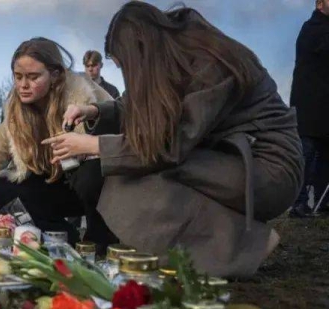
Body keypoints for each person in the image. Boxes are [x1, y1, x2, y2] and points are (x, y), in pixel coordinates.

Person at [43, 2, 303, 277]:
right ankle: (233, 240)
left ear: (141, 51)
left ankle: (244, 246)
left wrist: (92, 145)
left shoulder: (210, 62)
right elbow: (140, 103)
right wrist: (94, 110)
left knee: (138, 170)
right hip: (230, 158)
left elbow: (169, 146)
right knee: (129, 167)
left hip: (269, 170)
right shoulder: (175, 56)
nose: (127, 75)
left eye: (126, 66)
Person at [0, 37, 113, 246]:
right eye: (18, 77)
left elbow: (118, 143)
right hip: (57, 183)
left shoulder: (86, 96)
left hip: (100, 186)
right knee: (5, 186)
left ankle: (99, 246)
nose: (23, 85)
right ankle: (56, 242)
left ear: (55, 75)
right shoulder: (16, 111)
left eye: (33, 77)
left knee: (91, 174)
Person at [288, 0, 329, 217]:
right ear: (320, 4)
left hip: (324, 110)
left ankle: (323, 202)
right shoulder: (312, 28)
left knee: (325, 157)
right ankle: (299, 203)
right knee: (306, 154)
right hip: (309, 107)